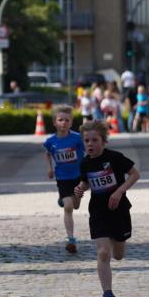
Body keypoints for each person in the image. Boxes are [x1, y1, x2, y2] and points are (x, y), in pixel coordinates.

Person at [74, 119, 140, 297]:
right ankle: (108, 296)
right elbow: (86, 182)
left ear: (103, 142)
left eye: (94, 140)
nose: (90, 144)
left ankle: (117, 241)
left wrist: (119, 191)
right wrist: (80, 188)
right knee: (103, 252)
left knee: (118, 255)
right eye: (86, 140)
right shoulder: (85, 163)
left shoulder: (115, 158)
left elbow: (135, 174)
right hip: (98, 212)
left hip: (119, 210)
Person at [43, 104, 86, 254]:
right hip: (62, 178)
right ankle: (71, 238)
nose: (63, 123)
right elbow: (47, 153)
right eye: (60, 120)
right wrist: (49, 168)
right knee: (68, 207)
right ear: (54, 122)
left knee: (75, 205)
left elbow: (89, 151)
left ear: (71, 122)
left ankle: (68, 199)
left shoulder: (77, 139)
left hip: (79, 176)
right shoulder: (50, 141)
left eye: (67, 120)